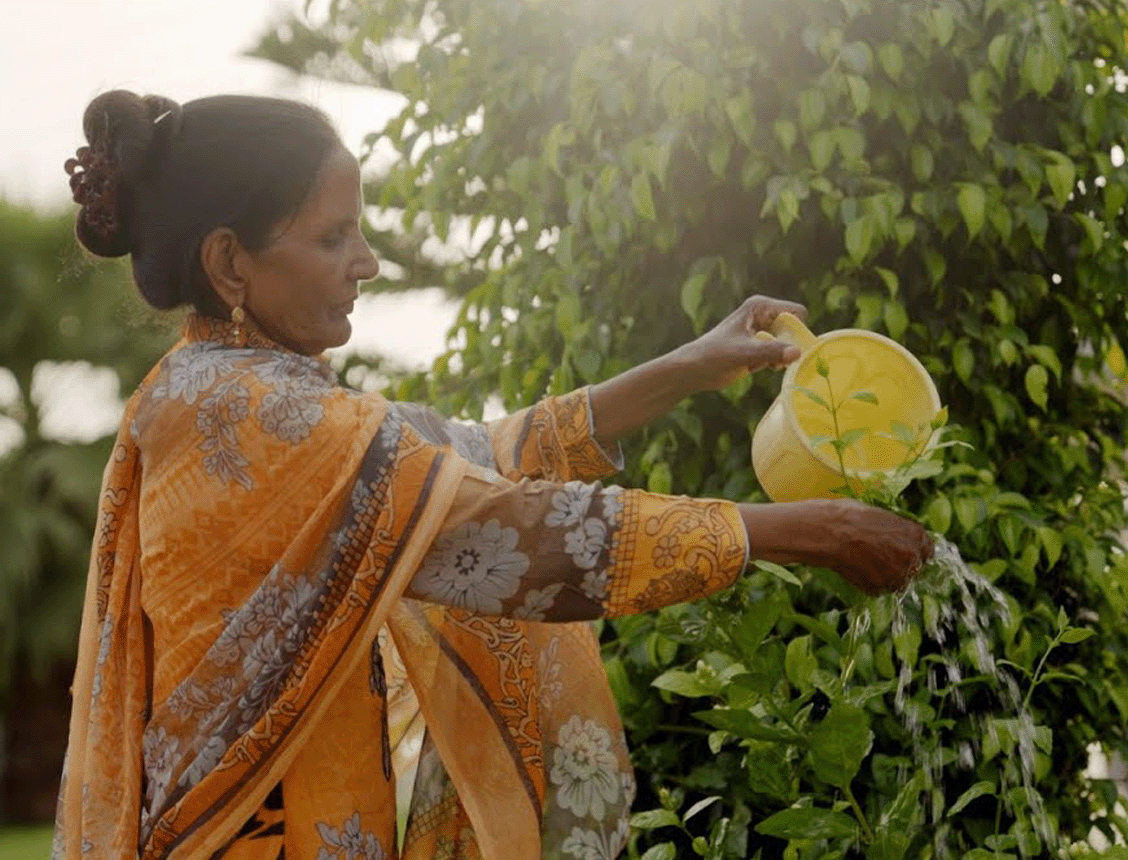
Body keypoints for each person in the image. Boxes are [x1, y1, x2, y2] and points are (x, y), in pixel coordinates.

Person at [53, 90, 933, 860]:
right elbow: (507, 532)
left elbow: (467, 459)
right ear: (230, 261)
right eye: (333, 236)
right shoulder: (256, 413)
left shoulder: (213, 388)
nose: (366, 262)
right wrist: (806, 530)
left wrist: (693, 365)